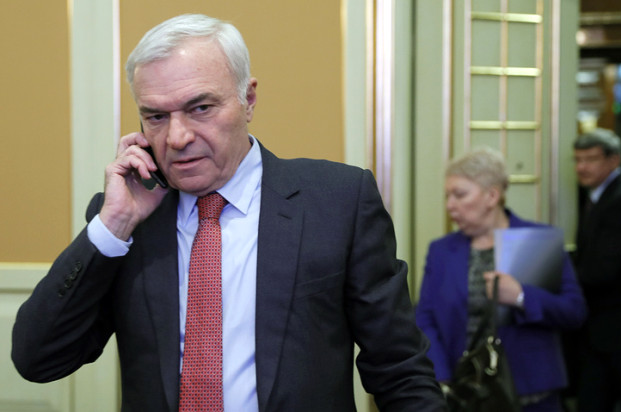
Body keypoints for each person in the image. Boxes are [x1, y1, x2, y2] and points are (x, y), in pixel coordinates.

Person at [11, 14, 445, 412]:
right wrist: (113, 226)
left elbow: (399, 370)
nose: (177, 137)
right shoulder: (127, 223)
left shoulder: (337, 201)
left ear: (248, 99)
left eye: (200, 108)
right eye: (156, 116)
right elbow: (39, 360)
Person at [414, 148, 587, 412]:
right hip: (465, 393)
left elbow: (574, 312)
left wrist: (521, 297)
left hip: (532, 396)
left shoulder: (538, 242)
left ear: (492, 196)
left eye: (459, 194)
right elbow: (425, 318)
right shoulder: (441, 251)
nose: (450, 205)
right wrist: (440, 377)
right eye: (447, 196)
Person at [572, 128, 621, 412]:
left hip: (615, 328)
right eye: (577, 159)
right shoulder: (594, 194)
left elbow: (601, 270)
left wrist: (560, 280)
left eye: (591, 159)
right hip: (599, 329)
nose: (582, 167)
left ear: (614, 160)